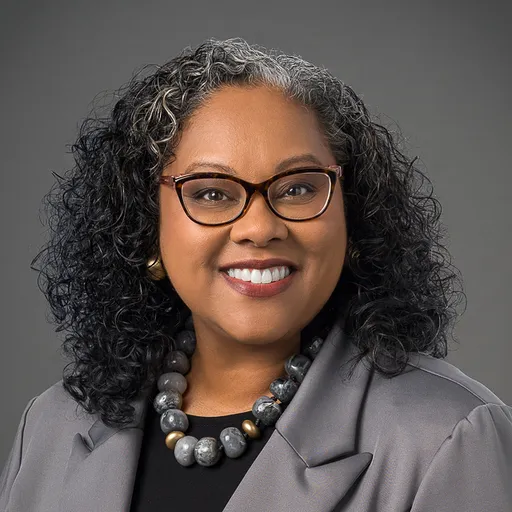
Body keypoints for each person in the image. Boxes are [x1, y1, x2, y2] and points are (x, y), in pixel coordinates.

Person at [1, 37, 511, 512]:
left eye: (298, 188)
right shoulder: (49, 427)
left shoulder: (449, 436)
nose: (260, 228)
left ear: (352, 212)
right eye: (211, 192)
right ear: (144, 224)